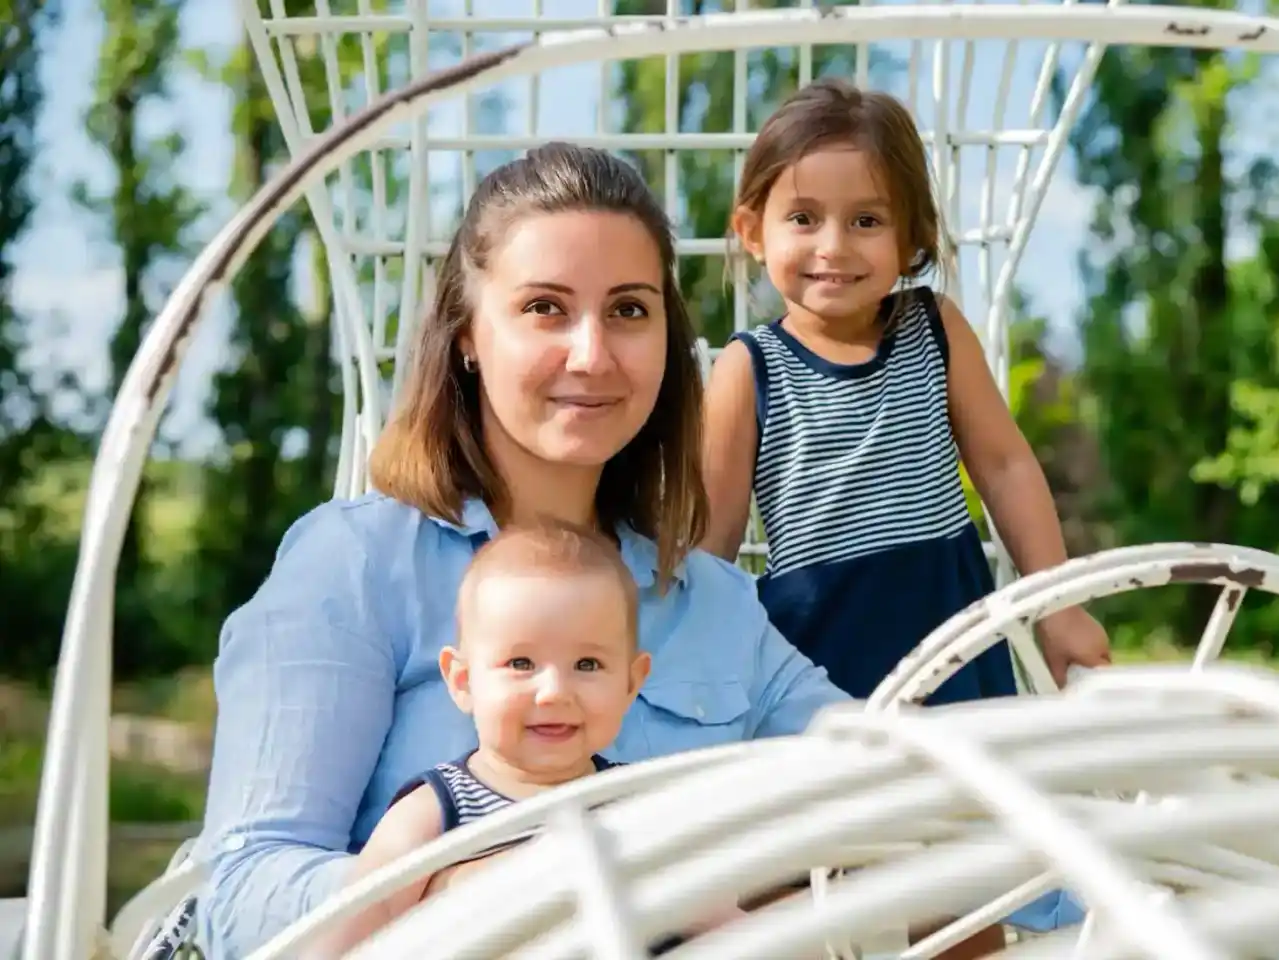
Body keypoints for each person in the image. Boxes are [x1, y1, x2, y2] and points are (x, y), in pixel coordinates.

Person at [190, 142, 850, 960]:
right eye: (545, 308)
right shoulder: (356, 567)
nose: (592, 355)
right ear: (468, 334)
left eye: (629, 310)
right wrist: (486, 890)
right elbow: (241, 899)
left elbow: (880, 773)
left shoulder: (715, 603)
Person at [699, 77, 1111, 952]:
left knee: (964, 879)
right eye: (803, 218)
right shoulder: (749, 369)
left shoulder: (933, 328)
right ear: (752, 230)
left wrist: (1059, 603)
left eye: (867, 220)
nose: (833, 246)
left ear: (913, 237)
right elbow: (713, 545)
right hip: (819, 654)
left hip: (947, 629)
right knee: (796, 886)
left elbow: (1004, 463)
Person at [310, 520, 739, 956]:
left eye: (587, 664)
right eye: (521, 663)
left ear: (631, 683)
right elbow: (350, 931)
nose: (554, 692)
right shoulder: (437, 809)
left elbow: (724, 922)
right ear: (463, 681)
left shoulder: (637, 803)